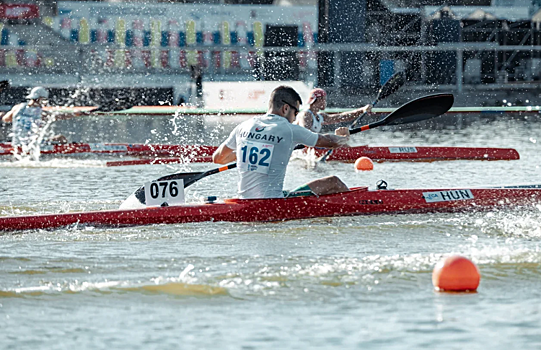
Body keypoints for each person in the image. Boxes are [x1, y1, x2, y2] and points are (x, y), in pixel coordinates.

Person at [212, 85, 351, 199]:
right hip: (273, 203)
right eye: (295, 113)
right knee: (333, 181)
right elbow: (329, 141)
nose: (295, 117)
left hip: (244, 200)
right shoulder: (289, 130)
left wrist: (248, 149)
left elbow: (217, 158)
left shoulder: (243, 126)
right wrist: (344, 137)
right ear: (285, 109)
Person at [2, 87, 70, 149]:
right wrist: (76, 114)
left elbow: (6, 119)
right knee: (61, 138)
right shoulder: (40, 112)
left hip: (16, 143)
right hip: (33, 144)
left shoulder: (17, 107)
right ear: (40, 99)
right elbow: (58, 116)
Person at [294, 88, 372, 133]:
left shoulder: (320, 116)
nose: (325, 102)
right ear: (318, 100)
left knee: (342, 144)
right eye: (324, 100)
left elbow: (342, 117)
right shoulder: (306, 115)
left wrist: (362, 110)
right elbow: (304, 134)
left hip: (310, 148)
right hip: (298, 150)